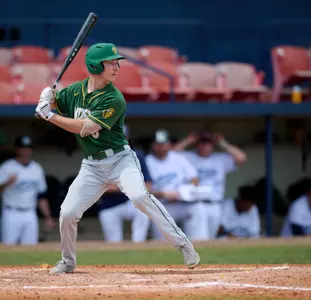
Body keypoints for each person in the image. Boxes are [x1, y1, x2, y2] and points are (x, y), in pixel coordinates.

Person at [35, 42, 200, 275]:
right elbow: (54, 102)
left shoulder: (114, 98)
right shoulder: (74, 92)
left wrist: (49, 115)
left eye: (116, 62)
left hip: (120, 160)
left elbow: (85, 127)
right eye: (111, 62)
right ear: (94, 65)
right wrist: (47, 97)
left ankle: (183, 244)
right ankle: (68, 261)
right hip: (92, 165)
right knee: (68, 213)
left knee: (140, 196)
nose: (117, 67)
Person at [173, 131, 247, 240]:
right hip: (195, 204)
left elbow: (241, 158)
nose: (204, 145)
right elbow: (171, 155)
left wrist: (222, 143)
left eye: (208, 143)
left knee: (211, 240)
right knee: (197, 240)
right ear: (197, 144)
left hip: (215, 205)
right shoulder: (188, 157)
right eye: (202, 142)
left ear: (212, 145)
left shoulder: (220, 159)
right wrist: (188, 140)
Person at [0, 134, 55, 245]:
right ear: (17, 149)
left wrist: (48, 217)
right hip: (11, 212)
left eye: (28, 148)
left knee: (31, 248)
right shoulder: (7, 167)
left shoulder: (37, 168)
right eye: (22, 148)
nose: (25, 151)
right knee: (8, 247)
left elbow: (41, 196)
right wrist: (7, 183)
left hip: (30, 213)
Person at [145, 129, 206, 241]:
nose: (162, 147)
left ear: (169, 145)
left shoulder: (178, 158)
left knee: (198, 208)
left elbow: (195, 179)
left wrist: (185, 190)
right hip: (162, 205)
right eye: (158, 144)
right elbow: (142, 190)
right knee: (163, 242)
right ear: (152, 146)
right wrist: (163, 193)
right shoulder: (146, 162)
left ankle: (200, 243)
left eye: (164, 144)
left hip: (183, 203)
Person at [97, 125, 151, 243]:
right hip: (109, 205)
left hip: (131, 202)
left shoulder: (137, 155)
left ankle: (138, 244)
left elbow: (148, 183)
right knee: (114, 243)